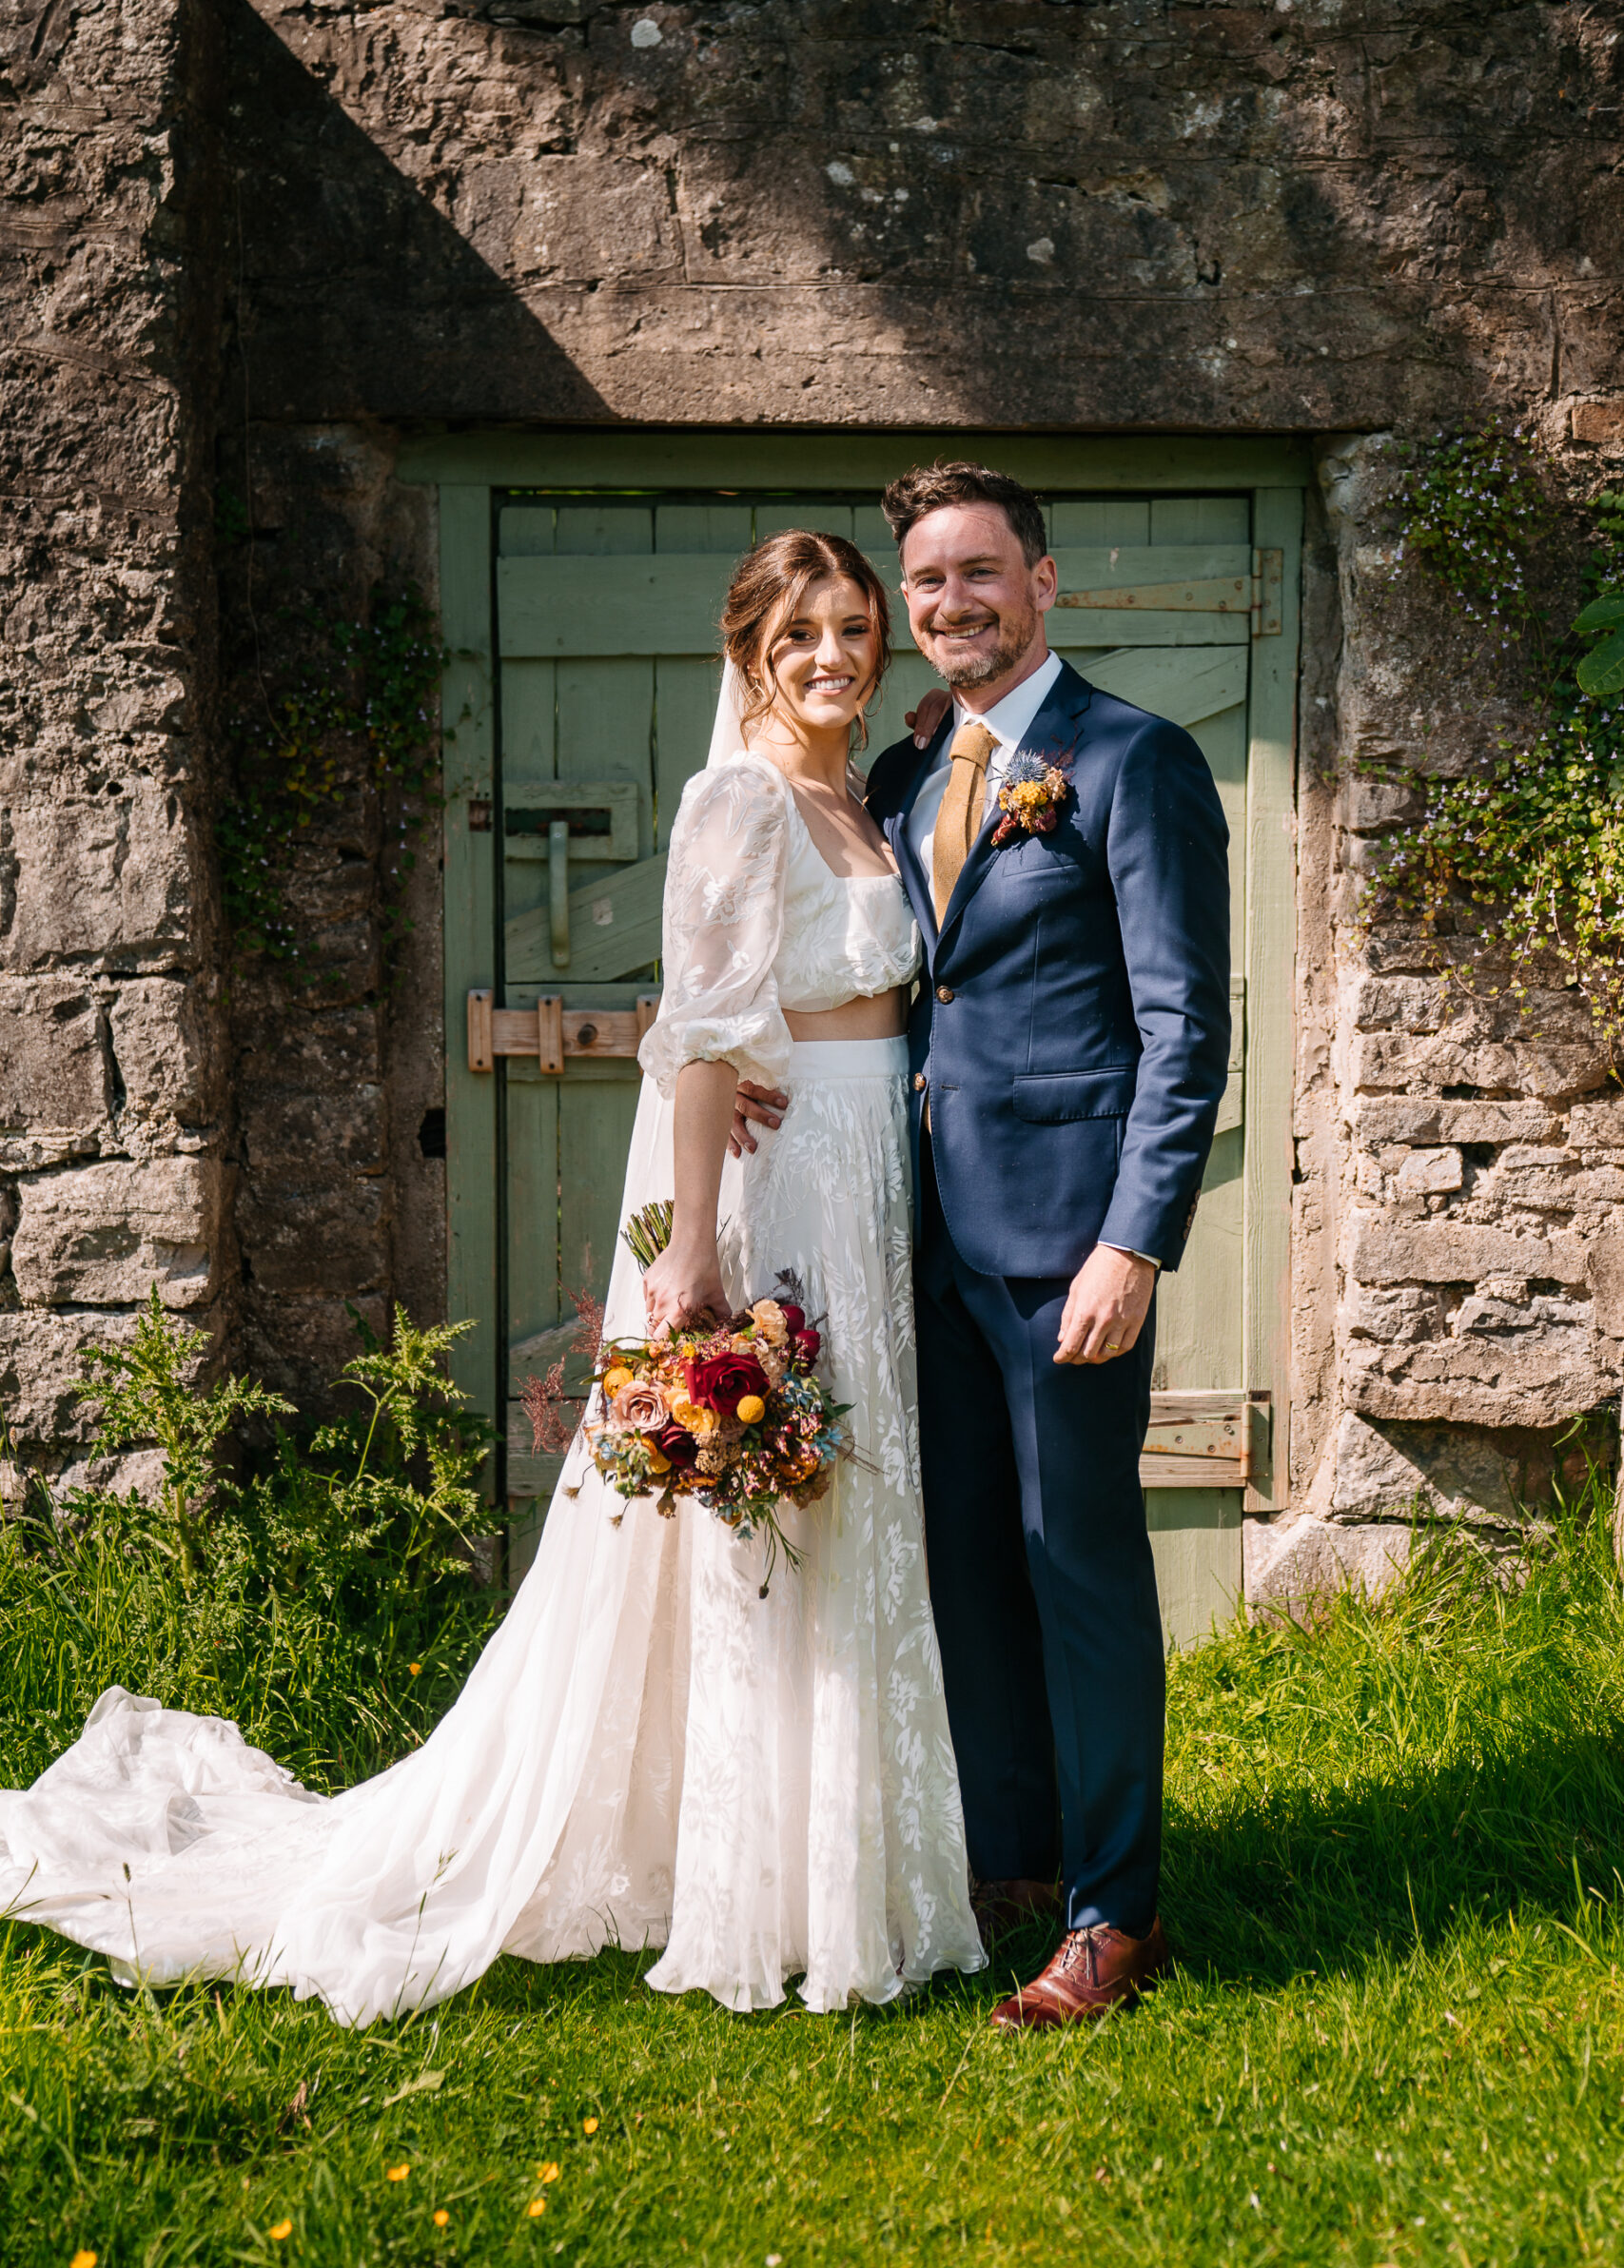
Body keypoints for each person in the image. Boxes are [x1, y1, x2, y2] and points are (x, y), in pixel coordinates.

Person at [0, 530, 983, 2027]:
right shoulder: (737, 799)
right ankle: (764, 1892)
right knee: (770, 1519)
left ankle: (847, 1863)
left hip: (865, 1173)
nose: (836, 655)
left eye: (855, 626)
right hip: (780, 1201)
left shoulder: (862, 790)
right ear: (749, 653)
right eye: (802, 636)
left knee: (849, 1506)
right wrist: (700, 1255)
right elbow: (709, 1035)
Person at [733, 464, 1231, 2030]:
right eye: (927, 584)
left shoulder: (1129, 760)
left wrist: (1134, 1245)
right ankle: (1011, 1860)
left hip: (1067, 1248)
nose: (951, 604)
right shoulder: (903, 771)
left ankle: (1114, 1913)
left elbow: (1182, 1023)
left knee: (1076, 1568)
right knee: (966, 1570)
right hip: (916, 1247)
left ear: (1044, 582)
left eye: (978, 574)